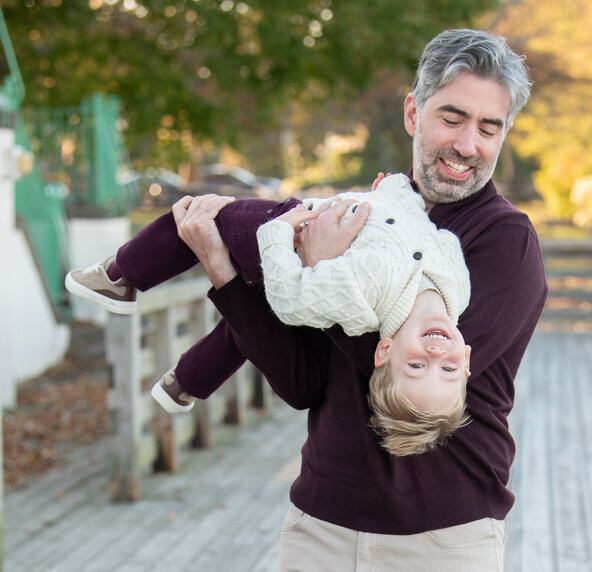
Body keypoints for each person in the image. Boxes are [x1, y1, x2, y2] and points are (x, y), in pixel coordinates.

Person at [171, 28, 546, 570]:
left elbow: (402, 372)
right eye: (452, 118)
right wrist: (224, 268)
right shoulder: (360, 219)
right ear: (414, 113)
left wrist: (319, 272)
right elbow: (302, 383)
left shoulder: (505, 242)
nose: (468, 145)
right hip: (320, 529)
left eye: (489, 128)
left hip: (444, 538)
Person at [65, 173, 473, 455]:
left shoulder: (359, 295)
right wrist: (395, 190)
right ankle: (186, 382)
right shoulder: (460, 286)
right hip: (332, 216)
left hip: (292, 230)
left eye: (417, 366)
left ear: (383, 351)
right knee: (251, 320)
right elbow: (421, 223)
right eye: (448, 371)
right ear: (466, 361)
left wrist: (277, 232)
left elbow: (289, 298)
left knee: (201, 218)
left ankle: (120, 277)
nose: (437, 356)